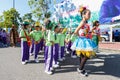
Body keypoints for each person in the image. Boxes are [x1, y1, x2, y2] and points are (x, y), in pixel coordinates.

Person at [71, 6, 97, 76]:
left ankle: (81, 68)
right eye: (88, 14)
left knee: (82, 56)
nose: (90, 16)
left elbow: (87, 32)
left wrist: (91, 31)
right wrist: (80, 36)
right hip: (83, 40)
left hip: (86, 40)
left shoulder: (86, 23)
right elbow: (76, 30)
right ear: (83, 15)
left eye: (90, 14)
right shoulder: (82, 22)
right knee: (86, 56)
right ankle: (80, 69)